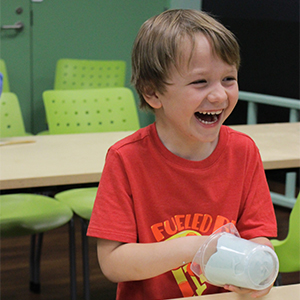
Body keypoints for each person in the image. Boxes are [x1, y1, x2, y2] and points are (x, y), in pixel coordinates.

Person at [87, 9, 277, 299]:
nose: (219, 96)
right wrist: (195, 248)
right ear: (153, 93)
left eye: (228, 79)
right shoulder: (126, 159)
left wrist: (259, 277)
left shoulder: (244, 151)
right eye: (200, 82)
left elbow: (258, 237)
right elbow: (113, 263)